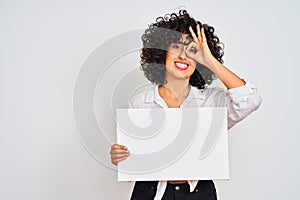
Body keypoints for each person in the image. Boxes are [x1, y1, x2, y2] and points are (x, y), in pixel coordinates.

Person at [110, 9, 262, 200]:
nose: (183, 56)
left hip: (199, 193)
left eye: (192, 50)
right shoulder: (140, 102)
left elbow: (250, 100)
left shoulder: (212, 101)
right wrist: (120, 156)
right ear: (162, 52)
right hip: (150, 193)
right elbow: (135, 156)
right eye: (176, 47)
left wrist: (209, 60)